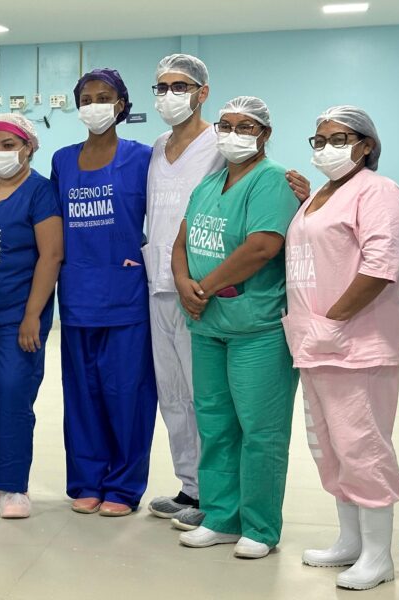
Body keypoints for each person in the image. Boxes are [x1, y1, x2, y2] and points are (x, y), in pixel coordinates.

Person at [171, 96, 300, 559]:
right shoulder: (209, 184)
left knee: (261, 431)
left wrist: (203, 288)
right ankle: (221, 517)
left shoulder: (273, 181)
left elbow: (262, 247)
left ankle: (260, 527)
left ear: (264, 134)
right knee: (215, 425)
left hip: (257, 328)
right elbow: (182, 241)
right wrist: (183, 282)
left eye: (244, 127)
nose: (232, 134)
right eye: (225, 125)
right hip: (208, 326)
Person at [283, 106, 399, 590]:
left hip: (357, 343)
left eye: (339, 138)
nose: (326, 147)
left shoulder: (379, 191)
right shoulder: (319, 196)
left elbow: (380, 266)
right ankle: (350, 541)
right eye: (319, 139)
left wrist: (333, 321)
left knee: (362, 446)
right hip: (314, 341)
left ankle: (378, 555)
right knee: (329, 447)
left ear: (366, 145)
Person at [51, 68, 156, 517]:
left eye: (104, 97)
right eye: (86, 98)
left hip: (126, 294)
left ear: (121, 104)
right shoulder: (61, 161)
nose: (94, 105)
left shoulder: (143, 157)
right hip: (78, 294)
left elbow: (167, 213)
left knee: (127, 394)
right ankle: (87, 481)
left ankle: (123, 486)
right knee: (82, 395)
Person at [0, 113, 63, 519]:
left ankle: (16, 486)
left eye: (8, 145)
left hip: (19, 317)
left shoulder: (40, 193)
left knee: (13, 396)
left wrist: (32, 315)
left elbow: (51, 255)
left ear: (29, 148)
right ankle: (0, 476)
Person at [143, 54, 225, 528]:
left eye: (180, 86)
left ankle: (216, 494)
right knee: (172, 394)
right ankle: (190, 487)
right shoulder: (158, 146)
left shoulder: (219, 144)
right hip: (156, 284)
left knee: (204, 395)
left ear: (202, 93)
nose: (169, 96)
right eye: (162, 87)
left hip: (197, 286)